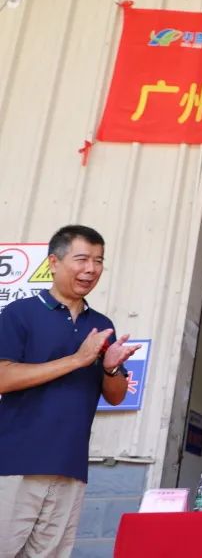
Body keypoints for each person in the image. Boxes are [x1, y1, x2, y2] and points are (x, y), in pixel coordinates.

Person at [0, 225, 141, 558]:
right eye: (82, 259)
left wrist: (110, 368)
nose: (91, 269)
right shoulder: (20, 313)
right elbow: (3, 377)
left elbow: (116, 396)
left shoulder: (102, 325)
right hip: (15, 462)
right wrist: (78, 359)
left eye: (98, 261)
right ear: (54, 262)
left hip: (70, 466)